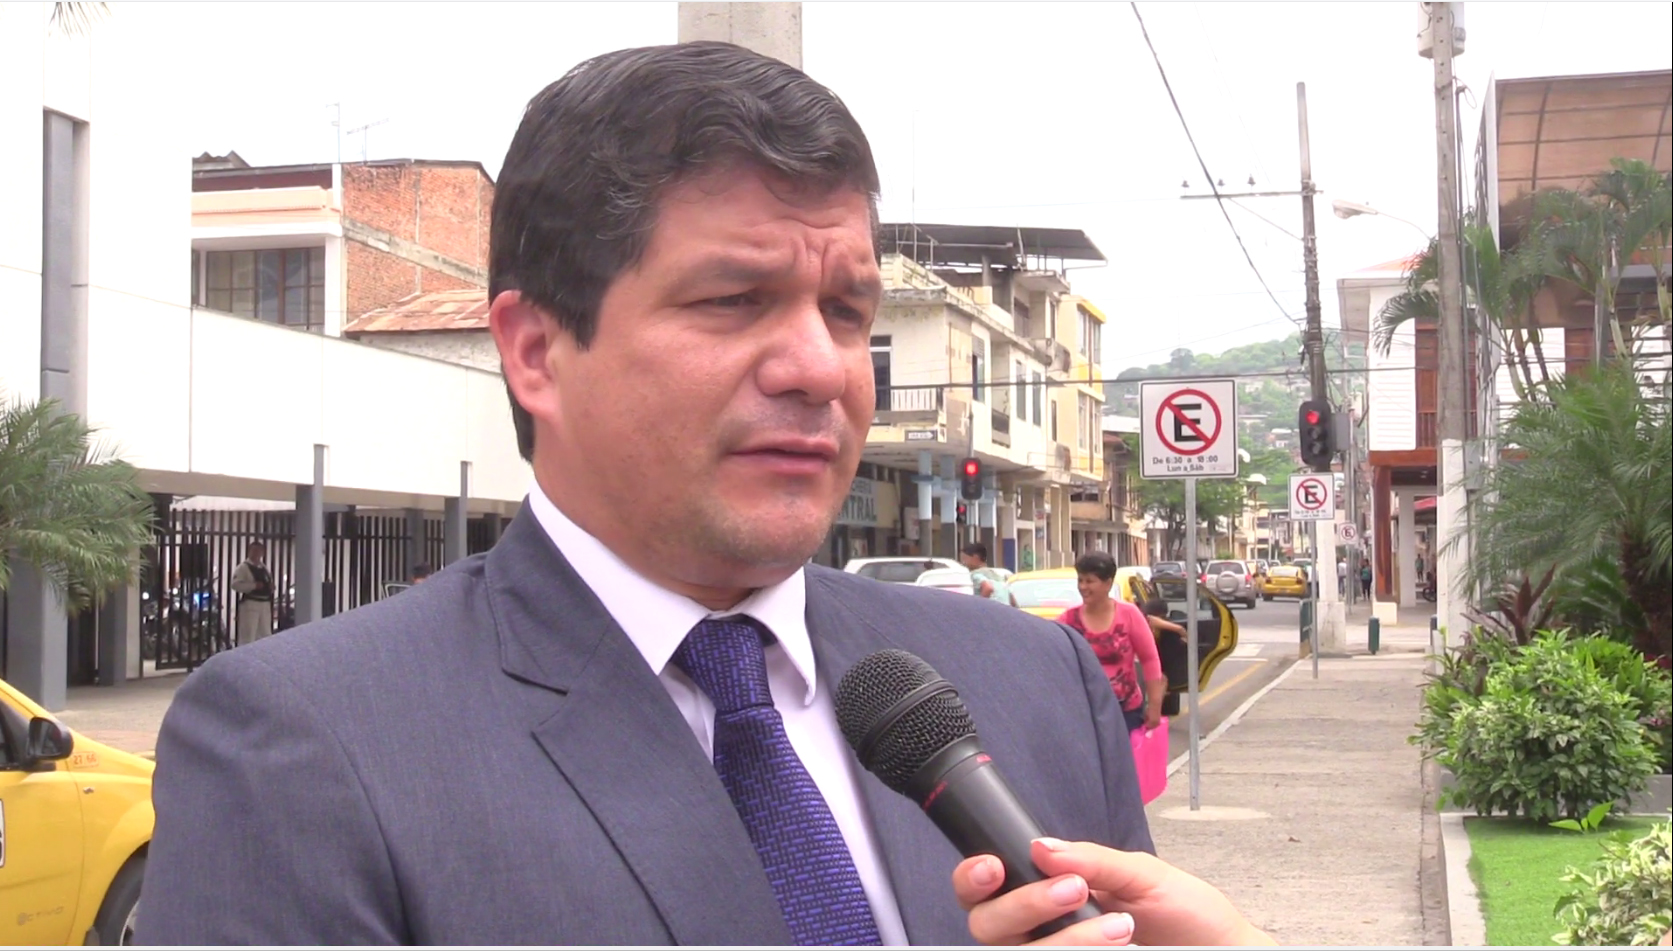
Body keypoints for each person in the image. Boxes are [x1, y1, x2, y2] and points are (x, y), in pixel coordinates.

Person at [137, 42, 1182, 947]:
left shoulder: (1028, 685)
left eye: (846, 309)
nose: (818, 367)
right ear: (537, 351)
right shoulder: (306, 746)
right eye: (734, 301)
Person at [1055, 552, 1166, 733]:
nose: (1083, 587)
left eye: (1090, 581)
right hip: (1083, 714)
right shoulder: (1068, 619)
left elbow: (1149, 659)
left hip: (1126, 713)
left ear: (1108, 583)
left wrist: (1154, 706)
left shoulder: (1129, 614)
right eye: (1080, 580)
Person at [228, 542, 273, 647]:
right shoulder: (243, 568)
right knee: (248, 635)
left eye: (259, 551)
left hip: (264, 604)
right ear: (249, 552)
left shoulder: (264, 568)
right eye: (254, 551)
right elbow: (235, 585)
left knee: (265, 634)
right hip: (251, 604)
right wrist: (253, 586)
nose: (257, 553)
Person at [959, 542, 1018, 607]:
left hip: (992, 611)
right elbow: (1013, 601)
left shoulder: (976, 574)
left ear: (975, 557)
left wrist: (978, 606)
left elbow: (988, 588)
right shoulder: (997, 575)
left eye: (965, 559)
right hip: (1005, 611)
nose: (963, 563)